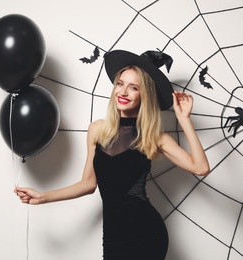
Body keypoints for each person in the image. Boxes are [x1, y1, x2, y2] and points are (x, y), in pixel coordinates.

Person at [15, 50, 210, 259]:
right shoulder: (97, 130)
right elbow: (88, 184)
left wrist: (184, 120)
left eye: (134, 87)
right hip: (113, 237)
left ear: (144, 95)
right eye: (120, 83)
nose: (123, 92)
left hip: (147, 234)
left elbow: (201, 167)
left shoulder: (154, 137)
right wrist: (43, 196)